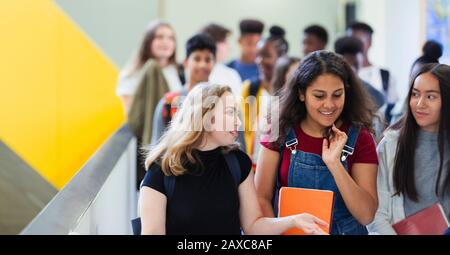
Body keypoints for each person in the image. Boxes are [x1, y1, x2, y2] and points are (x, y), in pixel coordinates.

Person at [139, 83, 329, 235]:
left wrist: (293, 220)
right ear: (205, 117)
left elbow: (253, 226)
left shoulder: (238, 163)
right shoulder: (161, 171)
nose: (238, 122)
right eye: (230, 113)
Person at [255, 51, 379, 235]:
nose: (329, 105)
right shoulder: (279, 128)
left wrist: (335, 165)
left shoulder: (360, 137)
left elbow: (366, 215)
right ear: (301, 94)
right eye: (319, 96)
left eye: (337, 95)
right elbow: (261, 197)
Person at [368, 63, 450, 235]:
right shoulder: (391, 145)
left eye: (431, 97)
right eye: (415, 94)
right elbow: (377, 214)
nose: (420, 104)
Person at [151, 33, 216, 145]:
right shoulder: (168, 103)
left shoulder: (221, 102)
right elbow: (156, 147)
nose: (202, 65)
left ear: (214, 63)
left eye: (207, 59)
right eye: (197, 59)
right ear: (186, 62)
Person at [241, 25, 289, 169]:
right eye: (258, 55)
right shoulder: (250, 88)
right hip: (252, 164)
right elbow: (243, 131)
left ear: (281, 58)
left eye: (267, 56)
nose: (260, 61)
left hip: (279, 165)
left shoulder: (288, 92)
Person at [116, 20, 183, 113]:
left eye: (171, 38)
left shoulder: (179, 72)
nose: (166, 42)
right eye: (160, 37)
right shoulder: (131, 74)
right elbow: (131, 115)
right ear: (148, 41)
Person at [347, 22, 399, 123]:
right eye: (350, 40)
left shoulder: (384, 75)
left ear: (369, 42)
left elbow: (393, 111)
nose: (353, 45)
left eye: (358, 41)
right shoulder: (341, 74)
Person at [201, 23, 243, 96]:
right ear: (213, 43)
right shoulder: (199, 73)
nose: (229, 48)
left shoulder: (230, 74)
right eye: (225, 42)